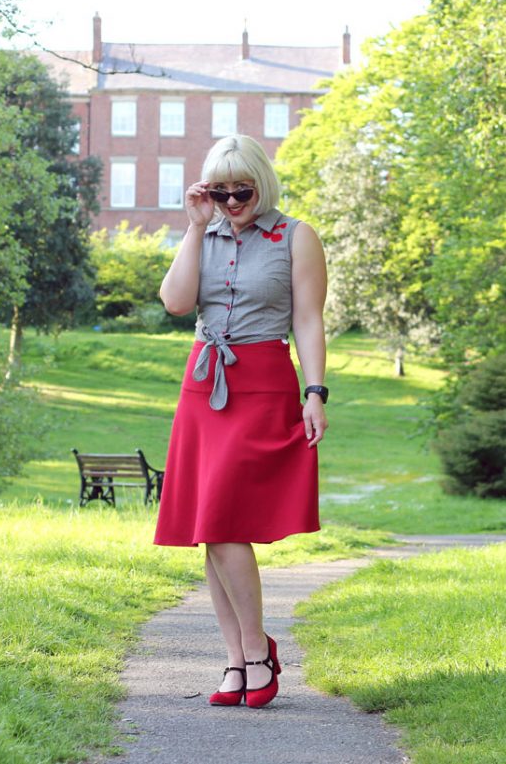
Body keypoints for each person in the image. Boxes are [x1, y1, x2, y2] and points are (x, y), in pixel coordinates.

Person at [154, 134, 328, 709]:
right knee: (211, 523)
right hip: (204, 382)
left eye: (242, 191)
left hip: (261, 379)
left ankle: (257, 651)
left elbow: (307, 319)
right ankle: (237, 657)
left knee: (225, 517)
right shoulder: (205, 233)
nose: (231, 202)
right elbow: (176, 304)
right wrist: (194, 225)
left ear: (263, 183)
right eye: (220, 192)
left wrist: (315, 391)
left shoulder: (295, 236)